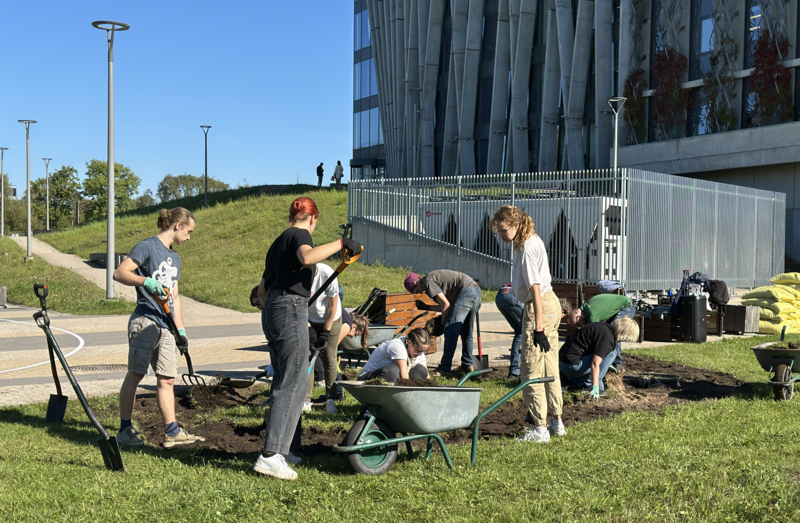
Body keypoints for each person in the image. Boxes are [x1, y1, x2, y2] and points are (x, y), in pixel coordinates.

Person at [253, 196, 363, 481]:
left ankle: (283, 448)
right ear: (312, 218)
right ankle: (271, 455)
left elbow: (263, 291)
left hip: (273, 310)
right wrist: (341, 243)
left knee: (292, 380)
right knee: (292, 383)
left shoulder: (277, 243)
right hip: (290, 309)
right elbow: (307, 257)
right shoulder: (299, 234)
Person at [113, 207, 205, 448]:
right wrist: (146, 281)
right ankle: (125, 429)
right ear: (177, 225)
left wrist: (181, 329)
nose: (189, 237)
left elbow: (174, 296)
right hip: (145, 320)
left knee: (167, 379)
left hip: (167, 325)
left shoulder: (175, 258)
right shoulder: (146, 247)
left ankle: (171, 431)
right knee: (136, 373)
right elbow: (119, 273)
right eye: (189, 231)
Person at [491, 205, 563, 443]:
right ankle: (556, 422)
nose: (501, 236)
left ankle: (540, 430)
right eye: (498, 231)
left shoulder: (528, 247)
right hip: (550, 303)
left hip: (539, 305)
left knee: (530, 369)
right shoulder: (531, 241)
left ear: (515, 224)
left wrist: (538, 327)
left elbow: (535, 288)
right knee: (550, 366)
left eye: (503, 230)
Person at [405, 270, 481, 376]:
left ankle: (444, 368)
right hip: (475, 290)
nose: (418, 293)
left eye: (416, 290)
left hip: (466, 292)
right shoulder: (431, 279)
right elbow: (445, 305)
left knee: (450, 330)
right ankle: (467, 366)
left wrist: (442, 324)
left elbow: (446, 305)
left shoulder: (428, 282)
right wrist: (425, 307)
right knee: (466, 332)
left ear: (415, 282)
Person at [559, 317, 640, 398]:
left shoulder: (603, 327)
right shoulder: (607, 339)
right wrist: (595, 387)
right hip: (572, 367)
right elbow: (594, 363)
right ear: (624, 333)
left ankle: (576, 382)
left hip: (563, 364)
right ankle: (589, 385)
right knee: (612, 352)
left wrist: (607, 364)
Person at [307, 263, 343, 414]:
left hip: (332, 318)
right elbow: (299, 305)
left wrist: (325, 332)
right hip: (310, 318)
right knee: (307, 358)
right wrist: (309, 327)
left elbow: (332, 305)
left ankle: (331, 399)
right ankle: (306, 400)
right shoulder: (297, 277)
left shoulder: (327, 274)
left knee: (329, 357)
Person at [566, 293, 635, 372]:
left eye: (578, 325)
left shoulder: (592, 315)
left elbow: (597, 337)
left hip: (626, 306)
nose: (580, 327)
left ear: (579, 317)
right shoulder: (584, 308)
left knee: (615, 333)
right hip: (619, 305)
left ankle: (617, 362)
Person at [358, 327, 430, 382]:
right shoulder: (397, 346)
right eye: (418, 350)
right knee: (393, 371)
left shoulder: (418, 351)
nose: (420, 354)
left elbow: (427, 376)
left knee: (421, 370)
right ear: (409, 342)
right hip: (366, 380)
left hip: (389, 379)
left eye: (423, 351)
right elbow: (404, 377)